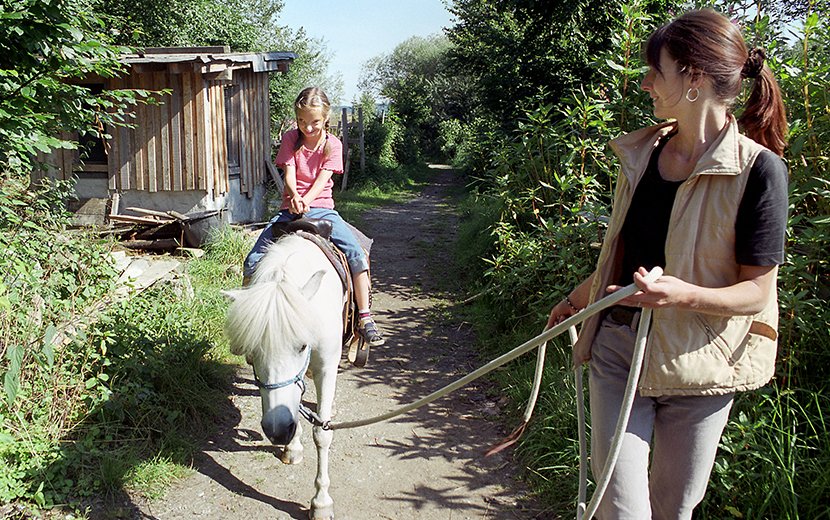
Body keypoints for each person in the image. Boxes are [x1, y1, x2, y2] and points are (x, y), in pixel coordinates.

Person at [546, 9, 788, 519]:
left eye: (656, 71)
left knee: (673, 510)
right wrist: (574, 300)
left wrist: (681, 295)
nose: (644, 83)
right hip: (619, 347)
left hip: (701, 364)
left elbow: (757, 293)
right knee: (620, 507)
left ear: (693, 77)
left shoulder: (760, 171)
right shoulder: (641, 154)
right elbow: (620, 256)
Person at [244, 87, 385, 348]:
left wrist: (306, 200)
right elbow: (289, 173)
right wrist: (295, 197)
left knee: (356, 253)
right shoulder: (290, 138)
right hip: (290, 209)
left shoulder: (333, 144)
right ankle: (249, 319)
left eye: (315, 122)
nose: (307, 128)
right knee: (252, 261)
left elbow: (322, 180)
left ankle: (365, 316)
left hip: (322, 209)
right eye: (302, 121)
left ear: (326, 118)